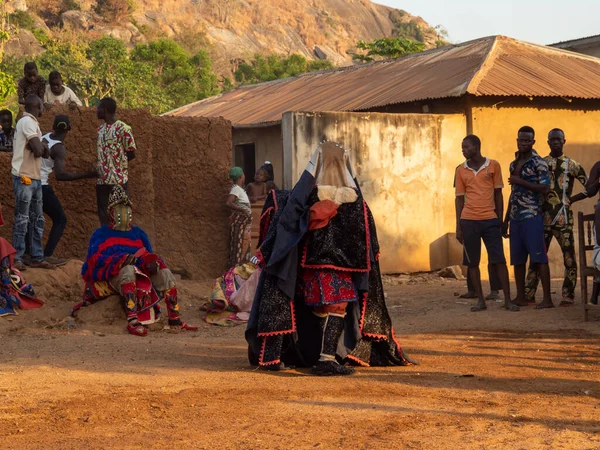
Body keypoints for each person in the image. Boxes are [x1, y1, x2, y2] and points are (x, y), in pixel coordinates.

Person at [246, 141, 417, 376]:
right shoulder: (355, 202)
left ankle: (319, 355)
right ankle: (325, 359)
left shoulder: (309, 198)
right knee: (335, 307)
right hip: (331, 270)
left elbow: (289, 218)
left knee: (328, 308)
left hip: (315, 270)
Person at [74, 185, 197, 336]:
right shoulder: (100, 234)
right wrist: (121, 260)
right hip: (112, 278)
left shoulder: (139, 233)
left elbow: (147, 254)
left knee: (165, 273)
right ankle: (132, 320)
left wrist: (152, 263)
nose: (124, 212)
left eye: (127, 209)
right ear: (111, 213)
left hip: (139, 276)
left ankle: (175, 320)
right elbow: (94, 261)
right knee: (128, 270)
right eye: (119, 209)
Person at [524, 129, 588, 306]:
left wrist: (572, 199)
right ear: (547, 142)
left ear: (564, 141)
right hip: (541, 219)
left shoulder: (572, 165)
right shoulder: (541, 163)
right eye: (552, 139)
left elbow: (589, 186)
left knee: (569, 259)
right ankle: (529, 294)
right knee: (536, 257)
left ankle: (568, 295)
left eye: (558, 139)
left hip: (564, 220)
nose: (555, 142)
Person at [455, 135, 519, 312]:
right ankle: (480, 300)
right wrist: (458, 227)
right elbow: (459, 200)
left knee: (499, 260)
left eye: (466, 147)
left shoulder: (493, 166)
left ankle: (507, 300)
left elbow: (499, 194)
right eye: (462, 147)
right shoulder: (460, 170)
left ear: (476, 147)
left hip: (490, 220)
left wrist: (499, 220)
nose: (463, 150)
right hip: (468, 221)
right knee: (473, 262)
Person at [25, 115, 97, 266]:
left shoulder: (43, 136)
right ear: (69, 129)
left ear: (53, 126)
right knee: (60, 219)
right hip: (42, 185)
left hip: (29, 182)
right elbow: (60, 175)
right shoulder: (58, 148)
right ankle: (47, 254)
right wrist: (87, 174)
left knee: (31, 218)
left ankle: (27, 254)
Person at [503, 126, 552, 308]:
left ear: (533, 142)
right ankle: (521, 296)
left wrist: (521, 181)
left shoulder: (539, 163)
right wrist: (505, 220)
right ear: (517, 140)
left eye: (527, 140)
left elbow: (546, 188)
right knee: (517, 259)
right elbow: (513, 193)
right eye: (520, 140)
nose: (523, 143)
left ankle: (547, 299)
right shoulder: (513, 163)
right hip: (516, 218)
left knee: (539, 257)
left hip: (532, 215)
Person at [11, 95, 54, 271]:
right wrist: (39, 147)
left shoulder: (32, 123)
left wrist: (40, 147)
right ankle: (17, 258)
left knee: (37, 219)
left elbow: (45, 152)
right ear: (37, 106)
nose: (44, 109)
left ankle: (36, 256)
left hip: (34, 177)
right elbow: (39, 150)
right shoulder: (28, 121)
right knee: (23, 218)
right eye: (42, 106)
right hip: (25, 177)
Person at [95, 97, 136, 225]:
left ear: (105, 110)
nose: (97, 111)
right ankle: (107, 241)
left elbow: (131, 153)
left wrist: (117, 165)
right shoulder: (100, 130)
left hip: (118, 180)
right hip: (102, 180)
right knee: (103, 214)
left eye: (99, 108)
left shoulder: (124, 129)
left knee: (121, 214)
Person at [226, 167, 253, 267]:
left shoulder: (238, 189)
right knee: (239, 245)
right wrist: (242, 210)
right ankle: (236, 270)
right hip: (240, 222)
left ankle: (240, 269)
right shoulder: (236, 188)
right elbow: (229, 203)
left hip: (243, 223)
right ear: (242, 176)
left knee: (242, 244)